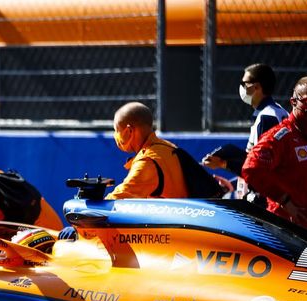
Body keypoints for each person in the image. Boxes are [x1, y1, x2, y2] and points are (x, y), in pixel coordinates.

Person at [202, 63, 289, 203]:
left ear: (257, 87)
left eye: (244, 83)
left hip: (268, 202)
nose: (241, 87)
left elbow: (260, 168)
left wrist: (223, 164)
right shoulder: (277, 111)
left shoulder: (267, 117)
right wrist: (234, 185)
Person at [242, 76, 307, 228]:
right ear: (294, 102)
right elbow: (251, 168)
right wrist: (284, 200)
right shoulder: (281, 137)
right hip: (287, 231)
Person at [106, 102, 188, 199]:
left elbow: (120, 198)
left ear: (129, 131)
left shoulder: (148, 160)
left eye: (117, 130)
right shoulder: (168, 146)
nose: (115, 135)